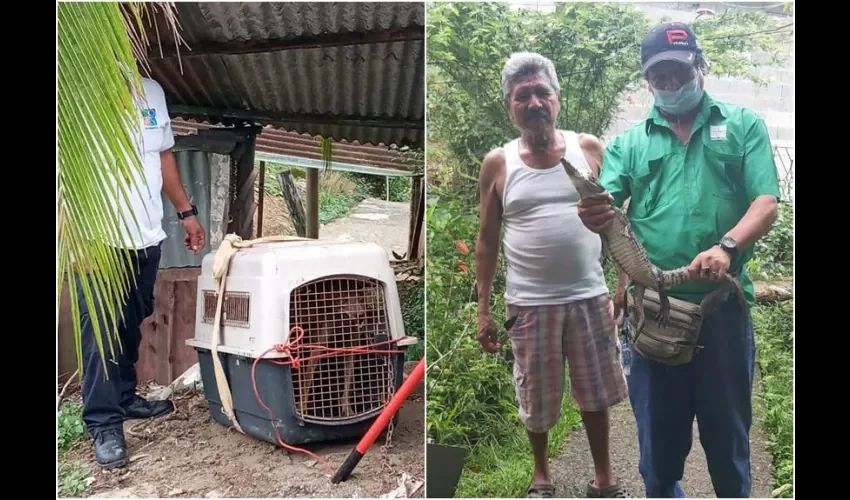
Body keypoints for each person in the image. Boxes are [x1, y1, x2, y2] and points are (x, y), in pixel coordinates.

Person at [577, 22, 781, 498]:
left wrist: (727, 247)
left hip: (721, 314)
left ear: (700, 67)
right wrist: (591, 212)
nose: (670, 84)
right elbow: (606, 209)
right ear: (648, 80)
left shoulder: (743, 124)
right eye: (659, 76)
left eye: (678, 71)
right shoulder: (629, 143)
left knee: (729, 445)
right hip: (656, 318)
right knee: (659, 455)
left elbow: (766, 202)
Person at [475, 52, 629, 498]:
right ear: (511, 106)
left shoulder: (590, 150)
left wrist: (622, 286)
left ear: (557, 99)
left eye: (543, 92)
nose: (535, 102)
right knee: (536, 396)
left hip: (588, 295)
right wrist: (484, 310)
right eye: (523, 95)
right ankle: (541, 475)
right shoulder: (499, 163)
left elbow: (620, 222)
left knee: (596, 393)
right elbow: (486, 240)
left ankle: (604, 478)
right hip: (528, 303)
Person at [76, 75, 206, 469]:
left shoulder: (151, 91)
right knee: (101, 328)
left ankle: (125, 397)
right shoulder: (76, 85)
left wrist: (186, 213)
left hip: (145, 234)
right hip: (97, 236)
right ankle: (103, 421)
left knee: (132, 321)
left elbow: (162, 155)